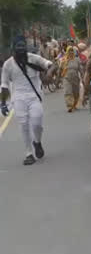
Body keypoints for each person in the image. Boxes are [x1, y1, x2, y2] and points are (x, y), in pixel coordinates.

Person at [1, 36, 54, 165]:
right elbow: (5, 85)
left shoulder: (33, 58)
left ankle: (37, 142)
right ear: (13, 48)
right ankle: (28, 153)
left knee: (37, 123)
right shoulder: (8, 64)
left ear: (25, 46)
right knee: (23, 124)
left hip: (34, 96)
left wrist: (49, 73)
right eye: (18, 46)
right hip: (18, 97)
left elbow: (50, 65)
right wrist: (3, 103)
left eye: (22, 46)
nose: (20, 48)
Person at [61, 46, 82, 112]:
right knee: (68, 92)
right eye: (69, 51)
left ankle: (74, 105)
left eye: (72, 50)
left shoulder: (77, 60)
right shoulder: (64, 60)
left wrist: (83, 77)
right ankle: (69, 106)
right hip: (66, 78)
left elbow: (80, 69)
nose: (71, 52)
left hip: (75, 78)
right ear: (67, 52)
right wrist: (58, 78)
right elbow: (60, 69)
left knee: (76, 93)